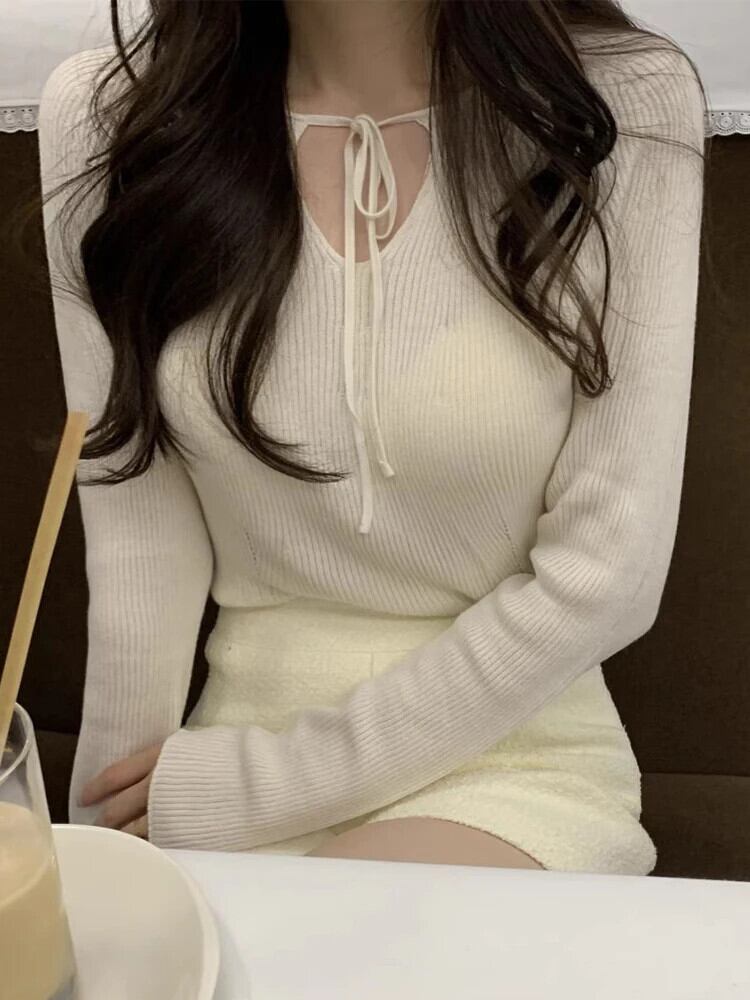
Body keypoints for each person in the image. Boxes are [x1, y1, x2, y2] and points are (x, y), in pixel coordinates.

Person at [35, 0, 707, 873]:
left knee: (344, 944)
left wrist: (262, 786)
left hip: (508, 757)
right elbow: (138, 543)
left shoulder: (620, 99)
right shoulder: (111, 116)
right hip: (222, 758)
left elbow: (607, 576)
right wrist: (97, 862)